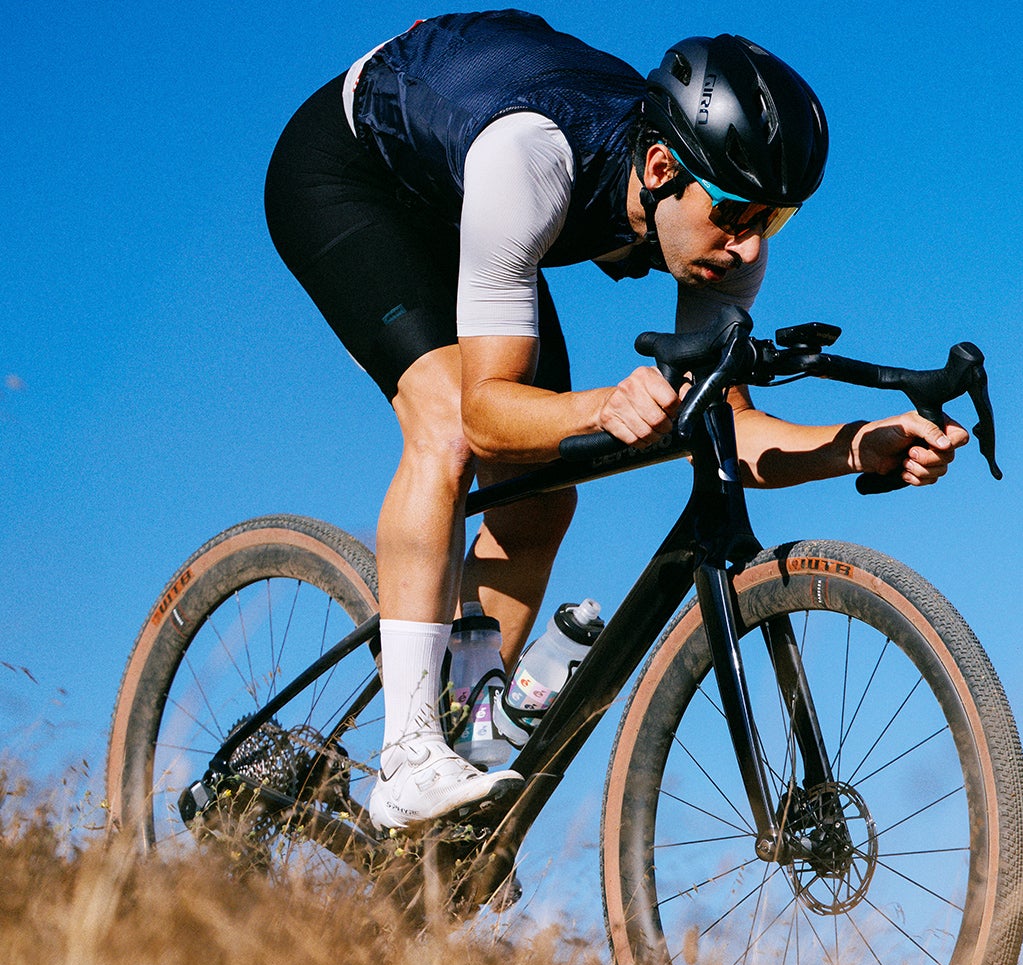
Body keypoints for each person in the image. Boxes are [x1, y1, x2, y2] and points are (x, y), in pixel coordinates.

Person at [263, 10, 968, 831]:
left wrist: (856, 446)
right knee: (452, 432)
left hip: (468, 192)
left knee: (540, 502)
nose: (747, 249)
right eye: (738, 214)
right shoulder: (530, 161)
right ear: (663, 165)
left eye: (774, 221)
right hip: (353, 174)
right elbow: (489, 417)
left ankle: (468, 732)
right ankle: (409, 753)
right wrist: (604, 403)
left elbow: (727, 425)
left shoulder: (714, 232)